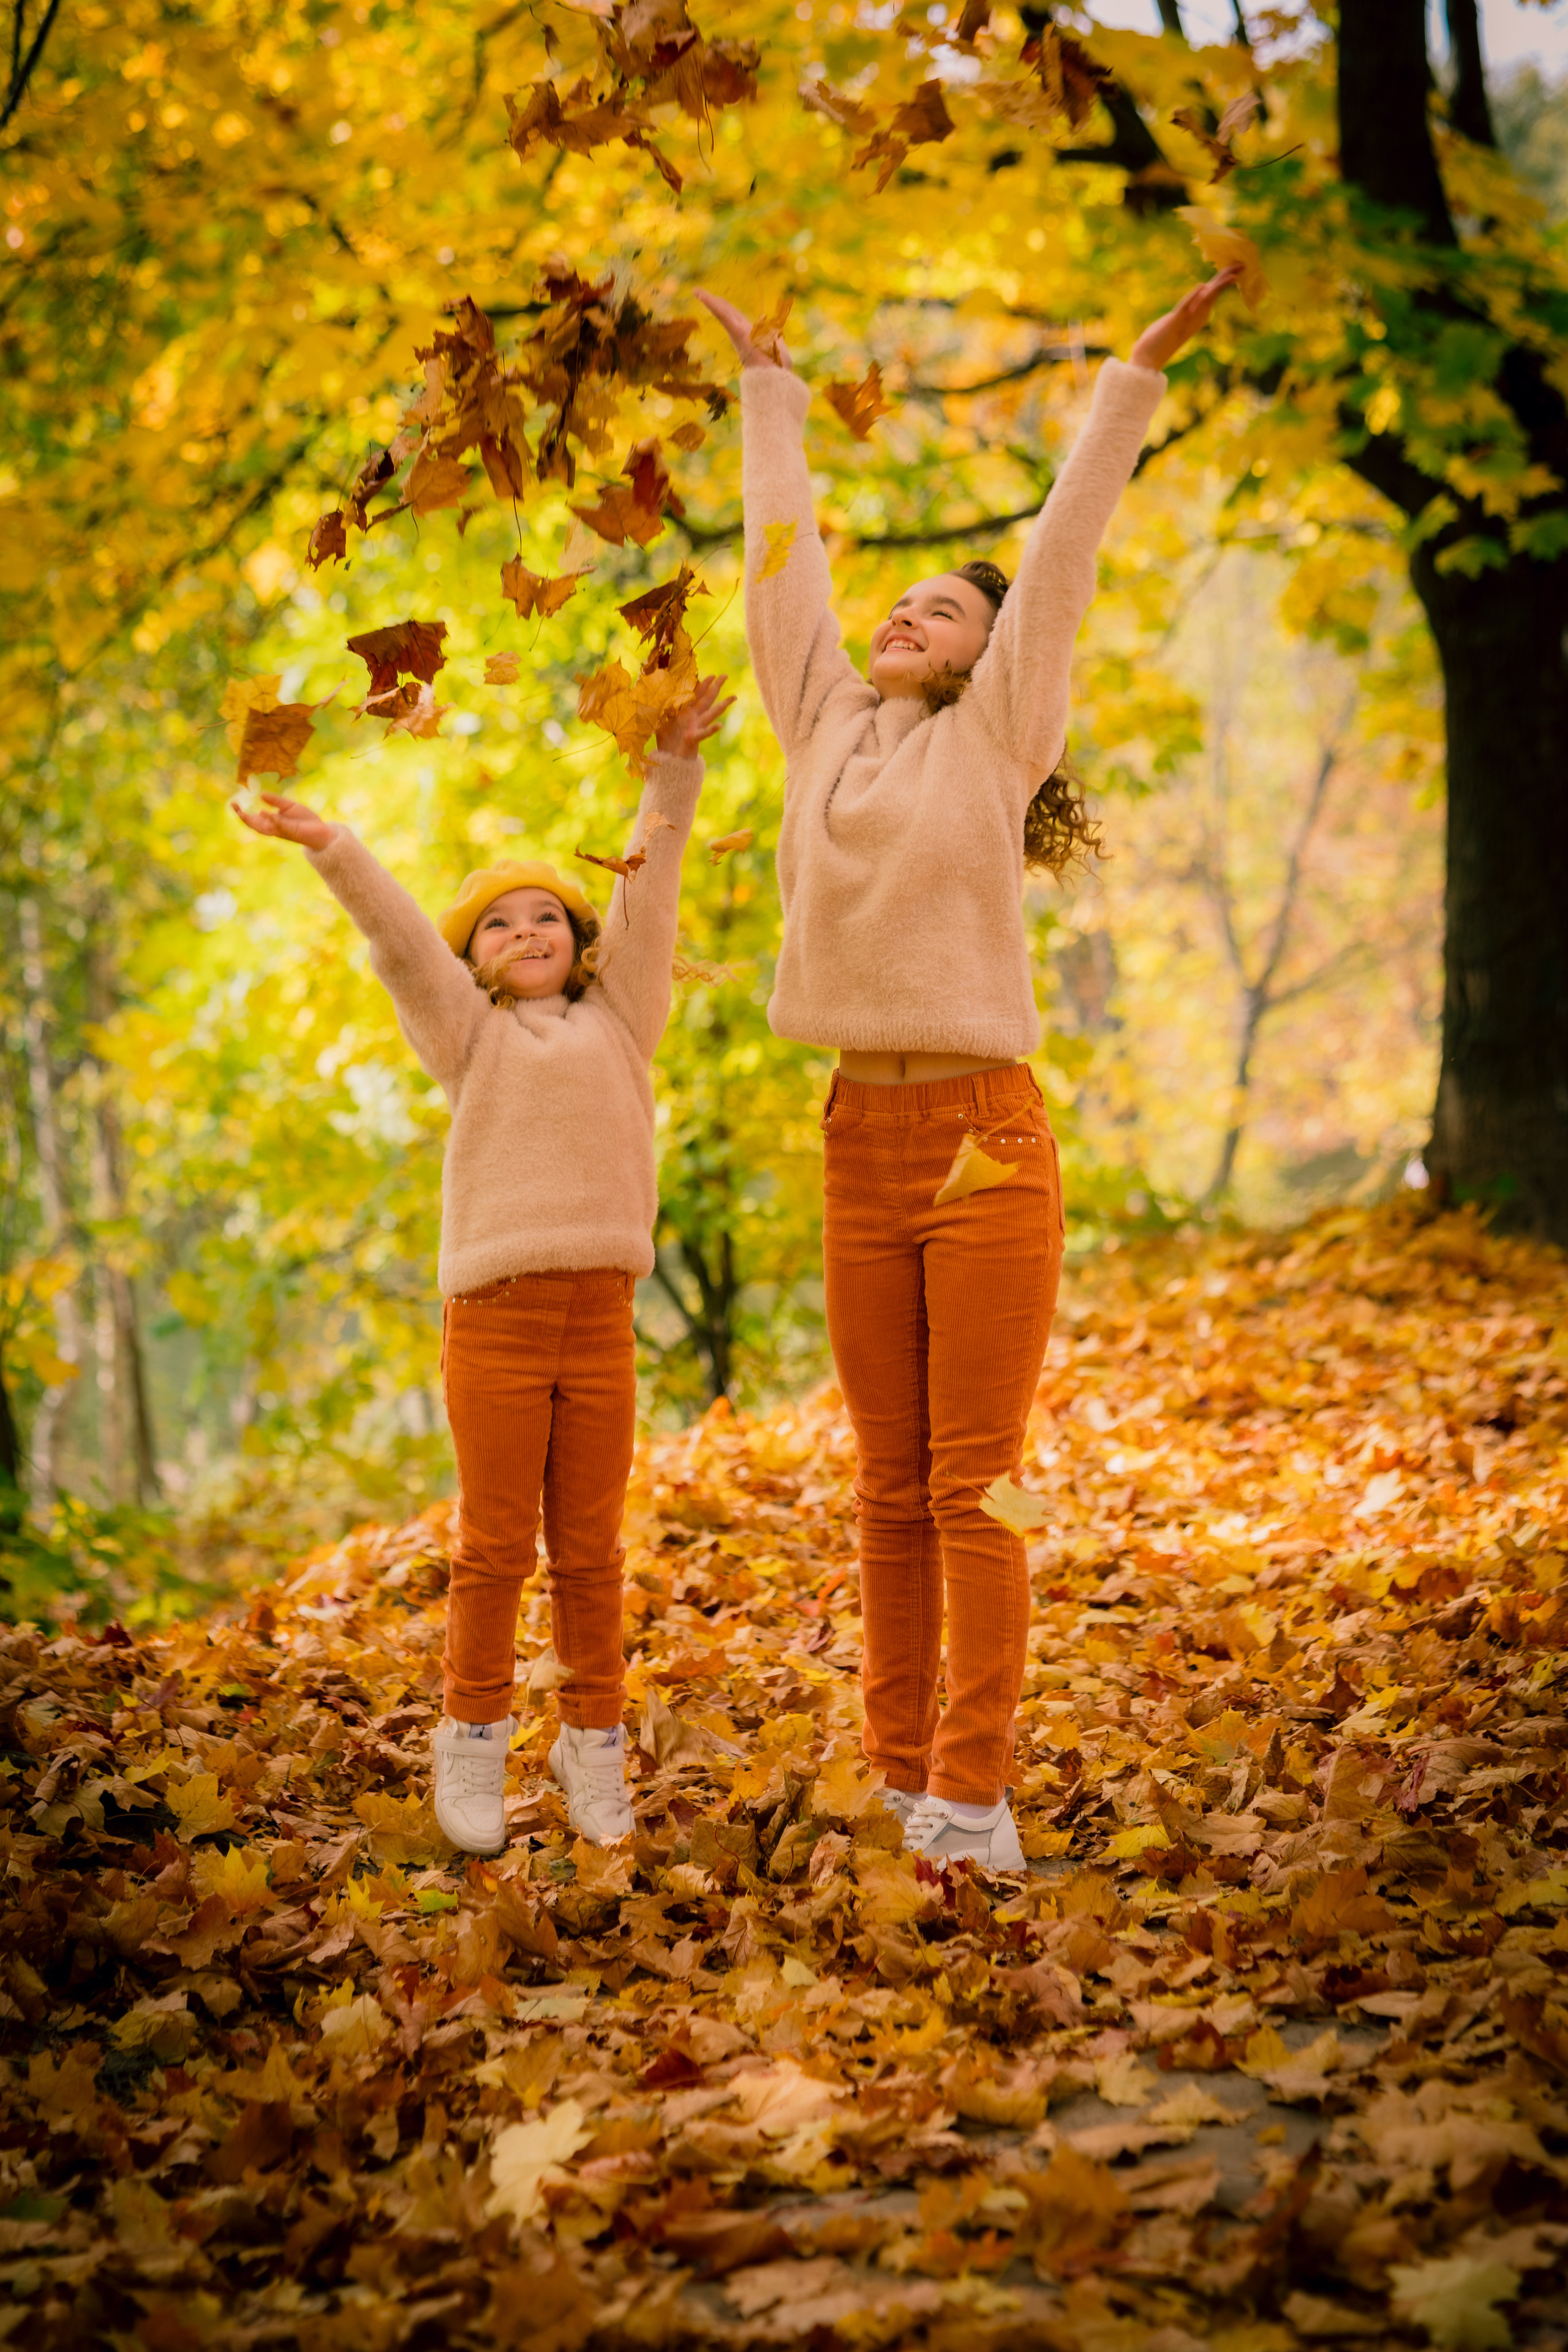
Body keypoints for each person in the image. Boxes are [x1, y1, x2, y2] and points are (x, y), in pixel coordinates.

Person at [699, 272, 1240, 1869]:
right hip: (859, 1134)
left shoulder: (999, 736)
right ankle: (894, 1768)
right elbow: (781, 578)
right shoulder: (825, 726)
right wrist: (772, 395)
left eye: (939, 608)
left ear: (996, 655)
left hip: (988, 1144)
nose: (900, 618)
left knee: (973, 1482)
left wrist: (1129, 382)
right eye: (901, 605)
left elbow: (1064, 556)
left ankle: (973, 1791)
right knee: (882, 1484)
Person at [232, 678, 731, 1853]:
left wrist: (673, 769)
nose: (526, 934)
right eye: (498, 925)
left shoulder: (626, 1020)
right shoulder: (468, 1037)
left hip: (600, 1320)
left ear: (578, 939)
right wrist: (335, 848)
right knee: (496, 1544)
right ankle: (470, 1747)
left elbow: (649, 895)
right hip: (498, 1323)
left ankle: (593, 1748)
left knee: (595, 1549)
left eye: (546, 917)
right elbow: (405, 945)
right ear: (479, 960)